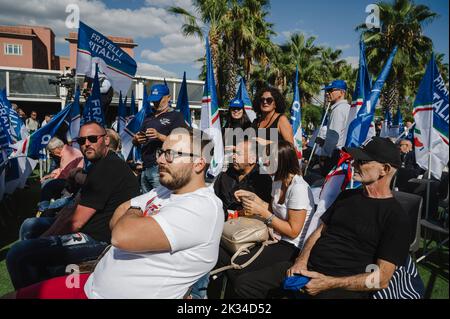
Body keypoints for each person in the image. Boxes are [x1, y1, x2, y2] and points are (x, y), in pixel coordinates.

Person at [10, 128, 224, 299]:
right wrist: (135, 216)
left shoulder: (201, 208)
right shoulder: (164, 190)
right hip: (90, 283)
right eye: (161, 152)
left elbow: (121, 236)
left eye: (171, 154)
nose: (160, 160)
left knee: (21, 255)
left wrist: (134, 214)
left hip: (100, 288)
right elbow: (117, 218)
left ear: (199, 163)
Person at [6, 121, 140, 290]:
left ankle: (37, 288)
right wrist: (48, 234)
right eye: (81, 140)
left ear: (106, 140)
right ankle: (39, 283)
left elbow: (75, 222)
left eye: (92, 138)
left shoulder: (109, 167)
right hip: (88, 228)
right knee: (30, 226)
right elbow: (72, 206)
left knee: (18, 255)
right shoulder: (98, 165)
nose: (86, 144)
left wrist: (45, 239)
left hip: (100, 240)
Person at [286, 136, 411, 299]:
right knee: (246, 283)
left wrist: (329, 283)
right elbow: (319, 231)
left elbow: (381, 279)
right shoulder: (346, 196)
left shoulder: (396, 217)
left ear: (385, 169)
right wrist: (301, 260)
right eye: (355, 160)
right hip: (306, 270)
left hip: (341, 287)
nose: (353, 164)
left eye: (362, 161)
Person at [214, 141, 315, 299]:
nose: (264, 162)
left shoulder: (299, 188)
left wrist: (262, 212)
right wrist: (253, 198)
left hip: (291, 247)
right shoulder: (278, 181)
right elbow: (273, 209)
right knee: (225, 257)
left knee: (238, 271)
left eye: (269, 159)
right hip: (276, 238)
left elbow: (293, 231)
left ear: (281, 161)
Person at [133, 84, 186, 193]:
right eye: (153, 100)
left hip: (161, 166)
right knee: (147, 203)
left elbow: (182, 141)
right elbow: (137, 141)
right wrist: (136, 139)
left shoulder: (176, 116)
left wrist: (159, 136)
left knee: (161, 201)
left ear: (168, 98)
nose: (156, 103)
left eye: (159, 99)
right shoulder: (148, 117)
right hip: (145, 166)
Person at [214, 137, 272, 220]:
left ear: (252, 159)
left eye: (238, 153)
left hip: (247, 229)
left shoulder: (263, 180)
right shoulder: (225, 175)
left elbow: (269, 212)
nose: (233, 156)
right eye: (234, 152)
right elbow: (215, 199)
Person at [38, 137, 85, 207]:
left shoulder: (68, 154)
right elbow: (62, 169)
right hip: (71, 179)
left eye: (51, 151)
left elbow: (65, 174)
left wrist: (52, 178)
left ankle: (44, 207)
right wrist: (52, 175)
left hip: (73, 182)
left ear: (57, 148)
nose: (52, 153)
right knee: (48, 182)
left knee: (47, 184)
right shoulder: (68, 151)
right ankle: (48, 205)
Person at [318, 80, 351, 176]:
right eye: (327, 91)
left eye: (331, 90)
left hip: (335, 155)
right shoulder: (348, 108)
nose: (328, 93)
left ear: (342, 92)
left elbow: (333, 138)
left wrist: (324, 155)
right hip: (344, 154)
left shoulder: (338, 110)